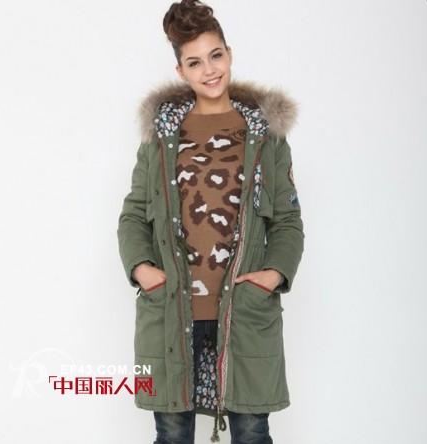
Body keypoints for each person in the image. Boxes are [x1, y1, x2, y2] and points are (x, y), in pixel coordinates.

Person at [117, 0, 304, 442]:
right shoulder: (160, 137)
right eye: (195, 62)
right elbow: (133, 214)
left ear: (229, 54)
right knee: (172, 434)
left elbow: (288, 220)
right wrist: (143, 270)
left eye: (215, 55)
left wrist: (273, 275)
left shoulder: (265, 136)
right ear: (181, 71)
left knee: (252, 432)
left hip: (243, 310)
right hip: (173, 308)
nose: (209, 70)